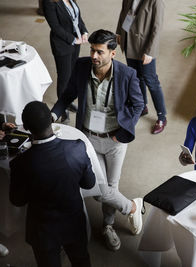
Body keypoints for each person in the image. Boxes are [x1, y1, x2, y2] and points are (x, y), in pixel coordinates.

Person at [51, 29, 145, 251]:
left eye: (99, 52)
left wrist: (122, 132)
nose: (94, 56)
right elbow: (67, 95)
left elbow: (139, 105)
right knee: (98, 188)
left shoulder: (127, 74)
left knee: (110, 187)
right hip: (89, 138)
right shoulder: (82, 66)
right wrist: (53, 115)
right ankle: (132, 207)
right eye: (92, 50)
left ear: (112, 53)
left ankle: (108, 226)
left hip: (115, 140)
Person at [9, 101, 96, 267]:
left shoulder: (20, 164)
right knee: (81, 260)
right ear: (51, 120)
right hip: (73, 223)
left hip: (43, 231)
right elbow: (89, 183)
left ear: (26, 128)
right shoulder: (77, 147)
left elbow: (17, 201)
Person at [116, 0, 167, 134]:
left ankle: (162, 116)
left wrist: (150, 51)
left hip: (145, 45)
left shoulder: (157, 2)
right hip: (129, 42)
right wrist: (119, 32)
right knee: (136, 78)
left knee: (151, 80)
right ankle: (142, 106)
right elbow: (124, 13)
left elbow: (157, 27)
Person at [43, 0, 89, 123]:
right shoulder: (49, 2)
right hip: (62, 45)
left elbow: (77, 16)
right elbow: (55, 27)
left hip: (75, 43)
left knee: (72, 74)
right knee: (64, 77)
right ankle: (62, 109)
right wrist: (73, 39)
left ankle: (68, 101)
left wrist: (84, 31)